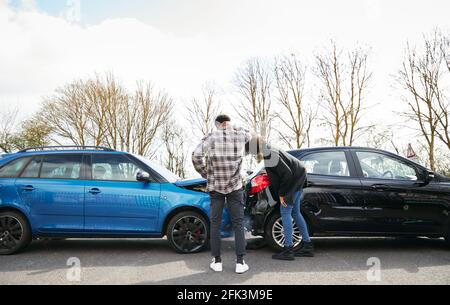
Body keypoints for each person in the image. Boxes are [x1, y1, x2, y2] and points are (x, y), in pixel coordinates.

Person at [192, 115, 252, 274]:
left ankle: (217, 261)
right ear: (229, 123)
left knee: (215, 224)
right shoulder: (240, 135)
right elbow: (250, 135)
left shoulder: (211, 137)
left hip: (216, 186)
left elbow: (196, 155)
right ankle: (240, 262)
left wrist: (206, 174)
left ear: (217, 125)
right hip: (235, 186)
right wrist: (237, 128)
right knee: (238, 224)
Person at [246, 136, 314, 260]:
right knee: (295, 213)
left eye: (252, 152)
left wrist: (282, 195)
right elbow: (280, 169)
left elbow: (286, 175)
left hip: (293, 181)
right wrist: (269, 173)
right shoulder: (270, 149)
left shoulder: (269, 154)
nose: (253, 155)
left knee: (285, 212)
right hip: (298, 177)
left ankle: (288, 249)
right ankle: (307, 246)